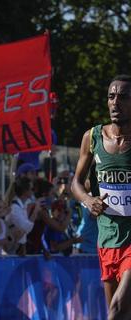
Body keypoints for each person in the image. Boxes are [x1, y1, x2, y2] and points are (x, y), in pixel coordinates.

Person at [71, 74, 131, 319]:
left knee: (116, 310)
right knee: (120, 313)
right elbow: (75, 183)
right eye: (111, 96)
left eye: (124, 97)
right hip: (106, 238)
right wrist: (87, 199)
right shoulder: (92, 137)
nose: (115, 102)